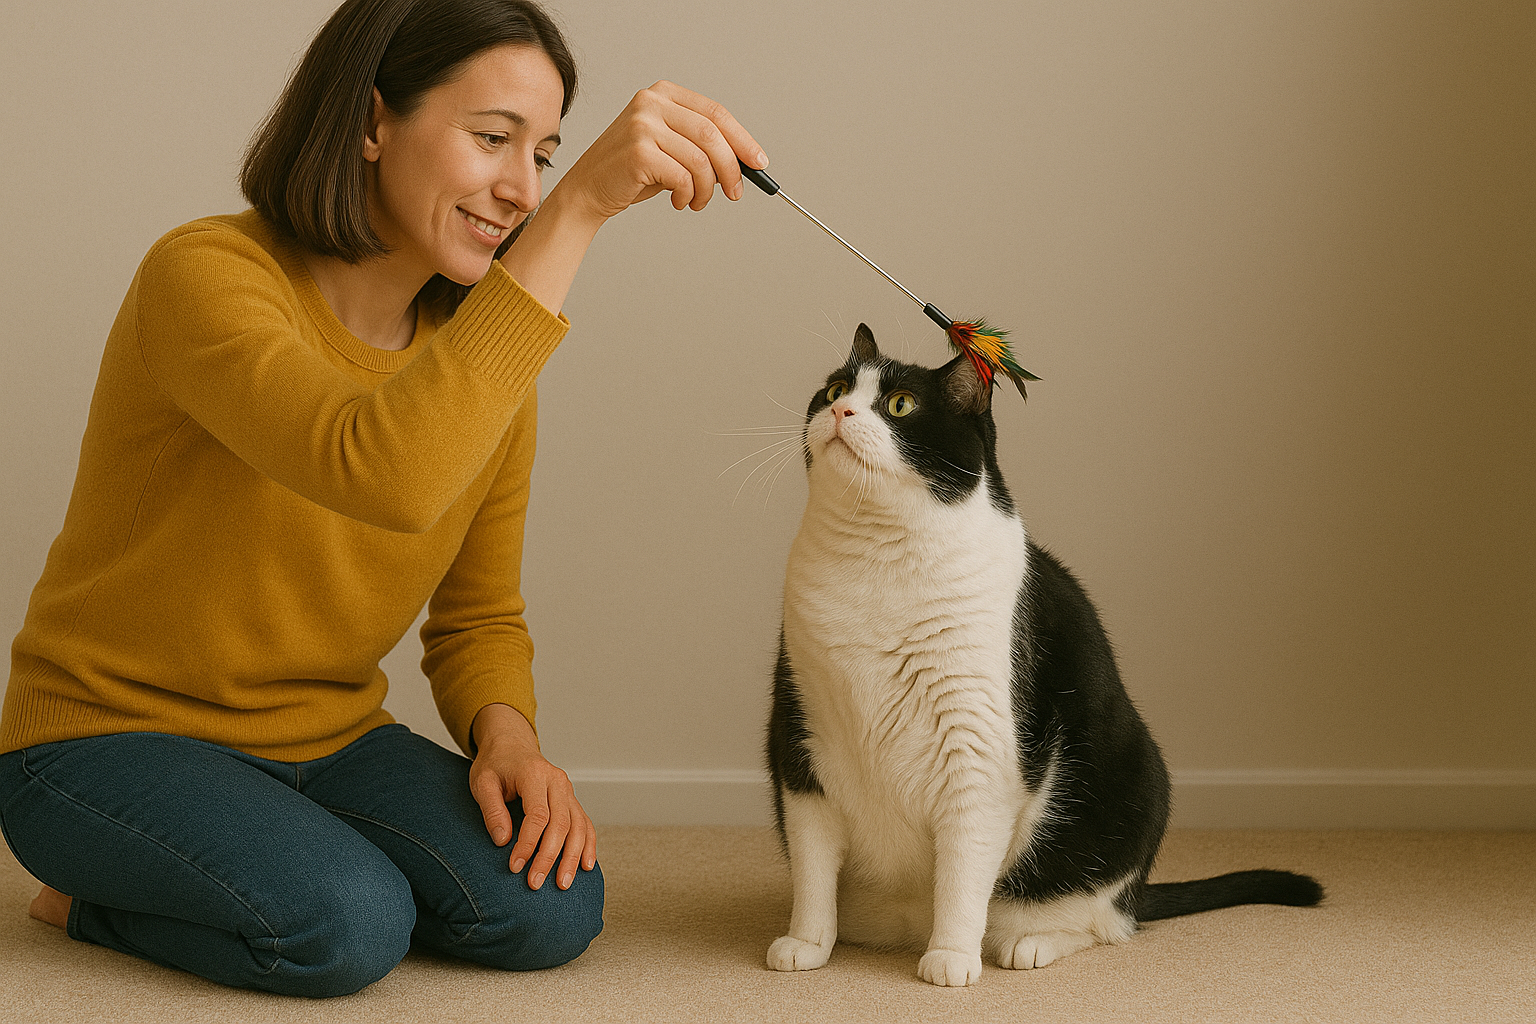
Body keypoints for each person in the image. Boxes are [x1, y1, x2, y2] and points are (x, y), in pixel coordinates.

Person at [0, 0, 766, 998]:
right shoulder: (204, 276)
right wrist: (583, 206)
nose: (522, 187)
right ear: (371, 123)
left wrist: (510, 740)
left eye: (544, 155)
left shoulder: (485, 357)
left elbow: (478, 612)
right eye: (493, 139)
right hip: (103, 739)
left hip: (326, 734)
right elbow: (379, 468)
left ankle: (253, 857)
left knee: (547, 906)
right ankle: (85, 897)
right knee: (349, 924)